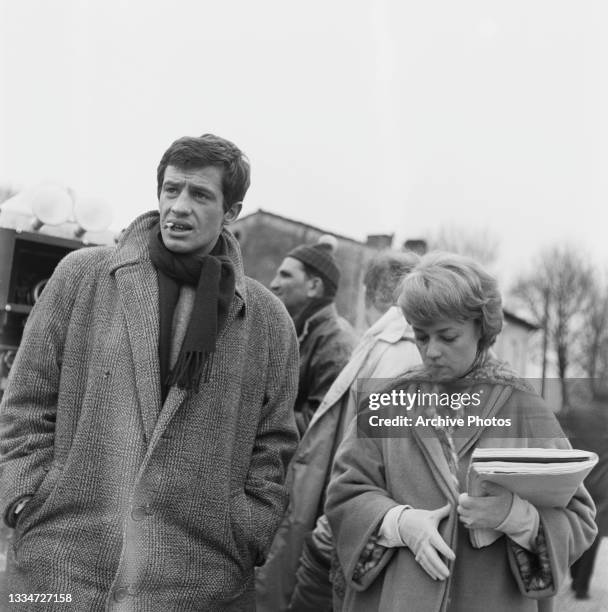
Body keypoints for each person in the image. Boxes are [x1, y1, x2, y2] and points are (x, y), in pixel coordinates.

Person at [0, 134, 300, 610]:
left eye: (200, 194)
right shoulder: (82, 276)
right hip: (63, 560)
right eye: (171, 189)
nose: (179, 206)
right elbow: (26, 400)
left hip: (197, 577)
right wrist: (25, 493)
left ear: (231, 212)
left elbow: (275, 440)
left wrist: (247, 528)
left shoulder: (267, 319)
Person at [326, 252, 597, 612]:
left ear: (481, 329)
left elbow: (579, 519)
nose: (432, 352)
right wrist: (398, 522)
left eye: (448, 336)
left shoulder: (524, 407)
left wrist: (516, 517)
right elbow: (344, 495)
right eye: (421, 337)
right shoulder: (387, 402)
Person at [257, 251, 421, 611]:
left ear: (368, 292)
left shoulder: (379, 348)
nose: (273, 283)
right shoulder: (359, 341)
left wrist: (261, 426)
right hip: (328, 523)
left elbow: (372, 457)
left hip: (336, 530)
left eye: (286, 274)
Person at [270, 237, 357, 436]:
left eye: (285, 275)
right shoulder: (296, 331)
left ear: (314, 286)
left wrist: (254, 412)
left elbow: (319, 428)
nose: (273, 284)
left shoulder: (336, 345)